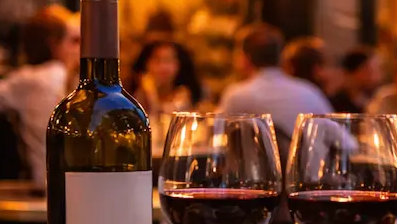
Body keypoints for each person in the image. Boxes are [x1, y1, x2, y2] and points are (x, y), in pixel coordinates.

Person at [0, 5, 80, 189]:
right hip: (71, 185)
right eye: (74, 41)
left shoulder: (34, 79)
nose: (80, 49)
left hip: (48, 185)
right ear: (53, 44)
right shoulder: (56, 78)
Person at [218, 23, 333, 156]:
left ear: (244, 58)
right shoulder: (309, 91)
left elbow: (215, 136)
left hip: (257, 169)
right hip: (307, 169)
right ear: (280, 56)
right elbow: (343, 141)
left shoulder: (238, 95)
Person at [130, 40, 201, 122]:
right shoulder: (136, 94)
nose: (163, 67)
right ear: (146, 64)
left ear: (179, 64)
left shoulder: (183, 94)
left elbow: (164, 118)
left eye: (168, 60)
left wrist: (151, 93)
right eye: (157, 60)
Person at [329, 46, 380, 113]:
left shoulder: (373, 99)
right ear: (352, 73)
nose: (371, 76)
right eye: (366, 70)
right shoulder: (335, 103)